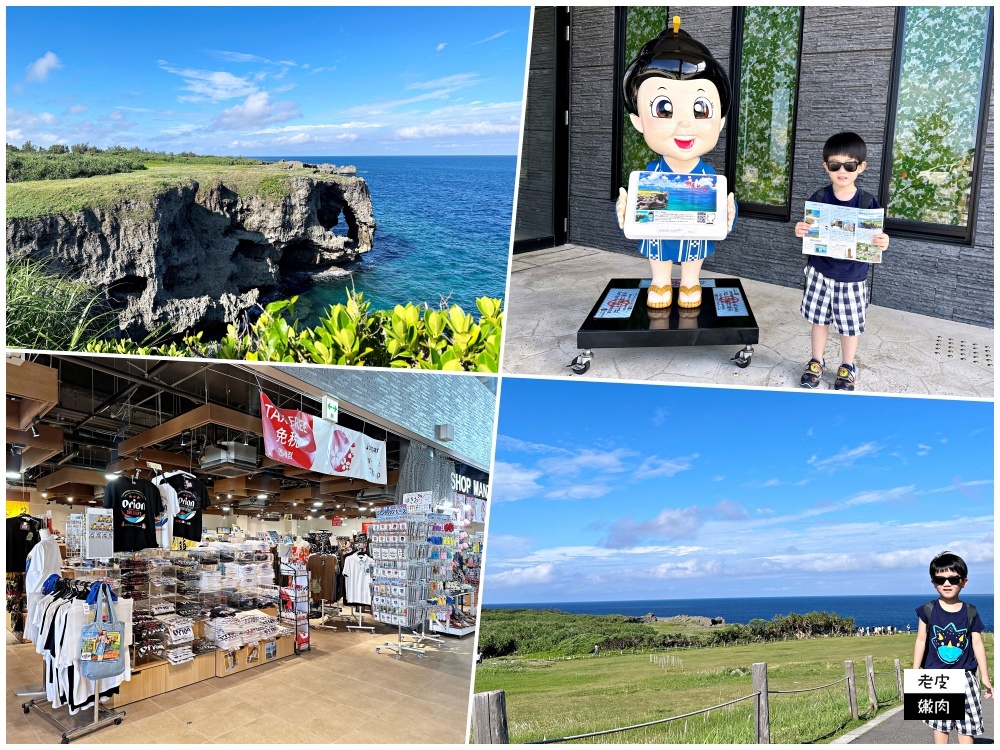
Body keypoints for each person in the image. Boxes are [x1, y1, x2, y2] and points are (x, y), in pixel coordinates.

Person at [615, 17, 737, 309]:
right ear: (637, 121)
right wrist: (627, 210)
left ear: (720, 121)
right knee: (658, 246)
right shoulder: (651, 176)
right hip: (660, 230)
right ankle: (660, 282)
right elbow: (639, 219)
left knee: (694, 249)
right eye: (663, 108)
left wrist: (728, 212)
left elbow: (722, 217)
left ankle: (691, 280)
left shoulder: (707, 176)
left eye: (700, 109)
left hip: (695, 228)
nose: (684, 124)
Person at [794, 132, 890, 391]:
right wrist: (801, 229)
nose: (842, 170)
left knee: (849, 326)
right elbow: (808, 228)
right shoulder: (820, 197)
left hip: (853, 276)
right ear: (826, 167)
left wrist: (883, 242)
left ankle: (847, 366)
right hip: (820, 272)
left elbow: (877, 237)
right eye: (835, 165)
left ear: (861, 167)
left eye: (850, 165)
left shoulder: (868, 202)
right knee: (819, 320)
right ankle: (816, 361)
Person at [913, 551, 993, 744]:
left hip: (965, 676)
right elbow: (921, 640)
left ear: (964, 582)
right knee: (940, 725)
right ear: (933, 583)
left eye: (953, 579)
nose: (946, 584)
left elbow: (977, 643)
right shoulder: (927, 610)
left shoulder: (970, 611)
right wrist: (915, 673)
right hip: (936, 677)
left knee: (967, 726)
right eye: (940, 580)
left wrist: (985, 677)